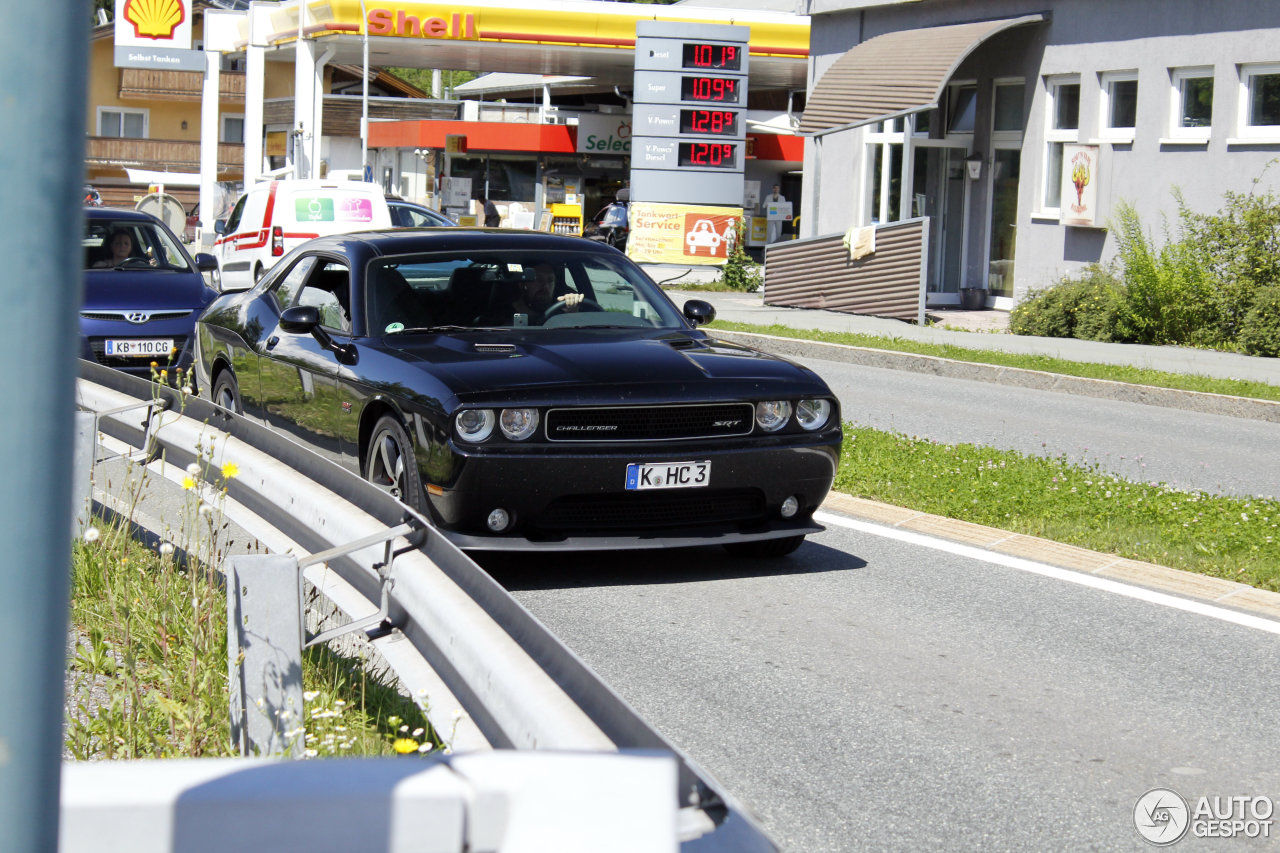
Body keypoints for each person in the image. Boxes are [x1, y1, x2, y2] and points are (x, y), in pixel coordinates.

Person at [508, 263, 582, 323]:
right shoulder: (505, 313)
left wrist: (572, 313)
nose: (545, 286)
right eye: (539, 279)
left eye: (550, 280)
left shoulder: (560, 311)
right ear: (523, 284)